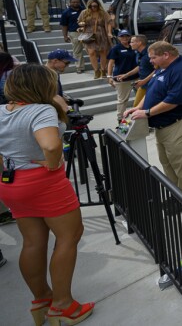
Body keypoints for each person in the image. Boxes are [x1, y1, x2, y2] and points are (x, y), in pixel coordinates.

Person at [0, 64, 95, 325]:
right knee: (69, 236)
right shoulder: (40, 110)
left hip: (12, 182)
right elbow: (51, 144)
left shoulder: (1, 111)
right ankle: (63, 305)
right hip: (43, 181)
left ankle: (42, 300)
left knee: (32, 242)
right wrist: (52, 161)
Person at [123, 41, 182, 201]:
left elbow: (174, 100)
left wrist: (148, 112)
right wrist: (137, 107)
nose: (150, 61)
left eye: (153, 57)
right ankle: (177, 194)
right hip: (162, 126)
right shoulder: (161, 69)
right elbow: (151, 91)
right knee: (167, 161)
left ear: (166, 55)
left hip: (179, 123)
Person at [76, 0, 113, 80]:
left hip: (102, 34)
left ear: (98, 5)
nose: (93, 8)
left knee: (103, 52)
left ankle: (103, 70)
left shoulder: (103, 13)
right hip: (89, 34)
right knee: (91, 53)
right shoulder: (84, 12)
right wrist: (82, 24)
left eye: (95, 6)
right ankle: (96, 70)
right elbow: (79, 22)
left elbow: (109, 22)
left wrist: (109, 32)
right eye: (91, 6)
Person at [106, 30, 138, 122]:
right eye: (122, 36)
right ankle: (120, 119)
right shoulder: (116, 48)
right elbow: (110, 63)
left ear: (130, 37)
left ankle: (139, 117)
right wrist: (109, 76)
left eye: (126, 36)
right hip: (121, 78)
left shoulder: (134, 47)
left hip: (136, 76)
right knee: (122, 100)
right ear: (118, 37)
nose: (124, 38)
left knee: (140, 98)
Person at [45, 49, 77, 113]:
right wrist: (70, 112)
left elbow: (59, 95)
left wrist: (70, 102)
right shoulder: (44, 75)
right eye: (66, 63)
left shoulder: (54, 73)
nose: (68, 65)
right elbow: (54, 97)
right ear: (55, 61)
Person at [60, 0, 85, 74]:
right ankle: (79, 67)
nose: (75, 3)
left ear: (79, 2)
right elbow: (64, 25)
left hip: (86, 31)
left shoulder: (84, 10)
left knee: (91, 50)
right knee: (77, 51)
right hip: (74, 33)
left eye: (77, 2)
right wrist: (65, 36)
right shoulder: (66, 12)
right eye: (73, 2)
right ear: (70, 3)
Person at [130, 35, 154, 107]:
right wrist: (126, 75)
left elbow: (158, 69)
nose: (130, 44)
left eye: (132, 42)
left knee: (139, 106)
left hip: (153, 84)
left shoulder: (150, 54)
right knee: (137, 105)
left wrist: (144, 81)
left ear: (139, 43)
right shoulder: (137, 53)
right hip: (143, 84)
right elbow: (140, 66)